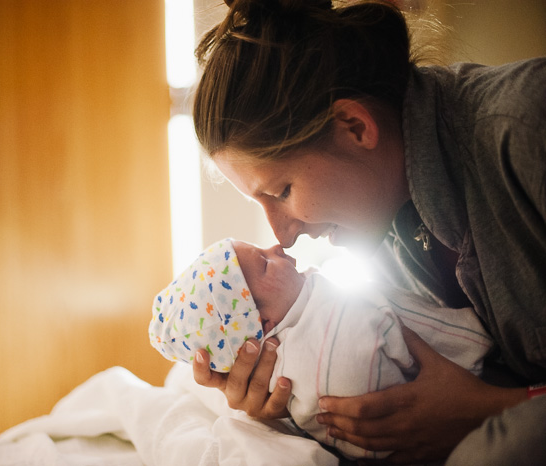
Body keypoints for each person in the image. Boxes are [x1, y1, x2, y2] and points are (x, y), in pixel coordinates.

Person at [188, 0, 546, 464]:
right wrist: (291, 404)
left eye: (283, 191)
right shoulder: (384, 228)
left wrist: (492, 410)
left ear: (354, 127)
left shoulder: (523, 129)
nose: (284, 235)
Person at [149, 238, 492, 460]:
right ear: (263, 324)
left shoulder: (307, 306)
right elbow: (361, 371)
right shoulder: (322, 337)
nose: (278, 248)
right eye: (266, 263)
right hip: (478, 373)